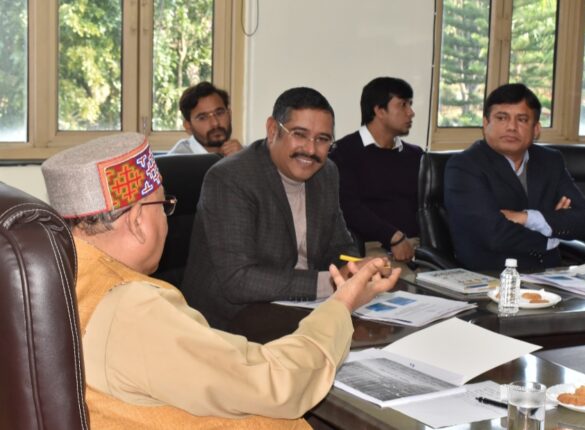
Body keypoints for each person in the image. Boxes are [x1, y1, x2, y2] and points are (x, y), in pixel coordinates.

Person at [41, 132, 399, 429]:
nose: (166, 220)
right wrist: (342, 304)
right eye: (164, 206)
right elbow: (276, 384)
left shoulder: (54, 280)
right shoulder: (131, 307)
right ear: (136, 221)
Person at [182, 87, 361, 329]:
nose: (311, 150)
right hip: (232, 319)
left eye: (322, 139)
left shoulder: (326, 172)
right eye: (299, 134)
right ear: (273, 130)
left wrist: (357, 270)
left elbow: (340, 246)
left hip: (302, 307)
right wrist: (330, 282)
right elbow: (238, 280)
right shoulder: (230, 178)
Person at [444, 83, 585, 271]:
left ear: (536, 129)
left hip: (551, 274)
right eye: (501, 118)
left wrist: (526, 218)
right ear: (485, 124)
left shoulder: (550, 160)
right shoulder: (464, 166)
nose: (511, 127)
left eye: (522, 119)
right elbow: (494, 235)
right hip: (492, 276)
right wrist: (551, 232)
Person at [329, 77, 423, 263]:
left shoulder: (416, 155)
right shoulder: (343, 153)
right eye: (403, 105)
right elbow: (347, 207)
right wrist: (393, 237)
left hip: (419, 251)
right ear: (379, 110)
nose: (411, 113)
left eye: (410, 104)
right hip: (372, 250)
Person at [168, 81, 243, 157]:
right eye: (203, 118)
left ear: (229, 114)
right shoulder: (176, 160)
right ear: (188, 126)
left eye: (219, 113)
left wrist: (243, 159)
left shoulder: (241, 152)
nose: (215, 123)